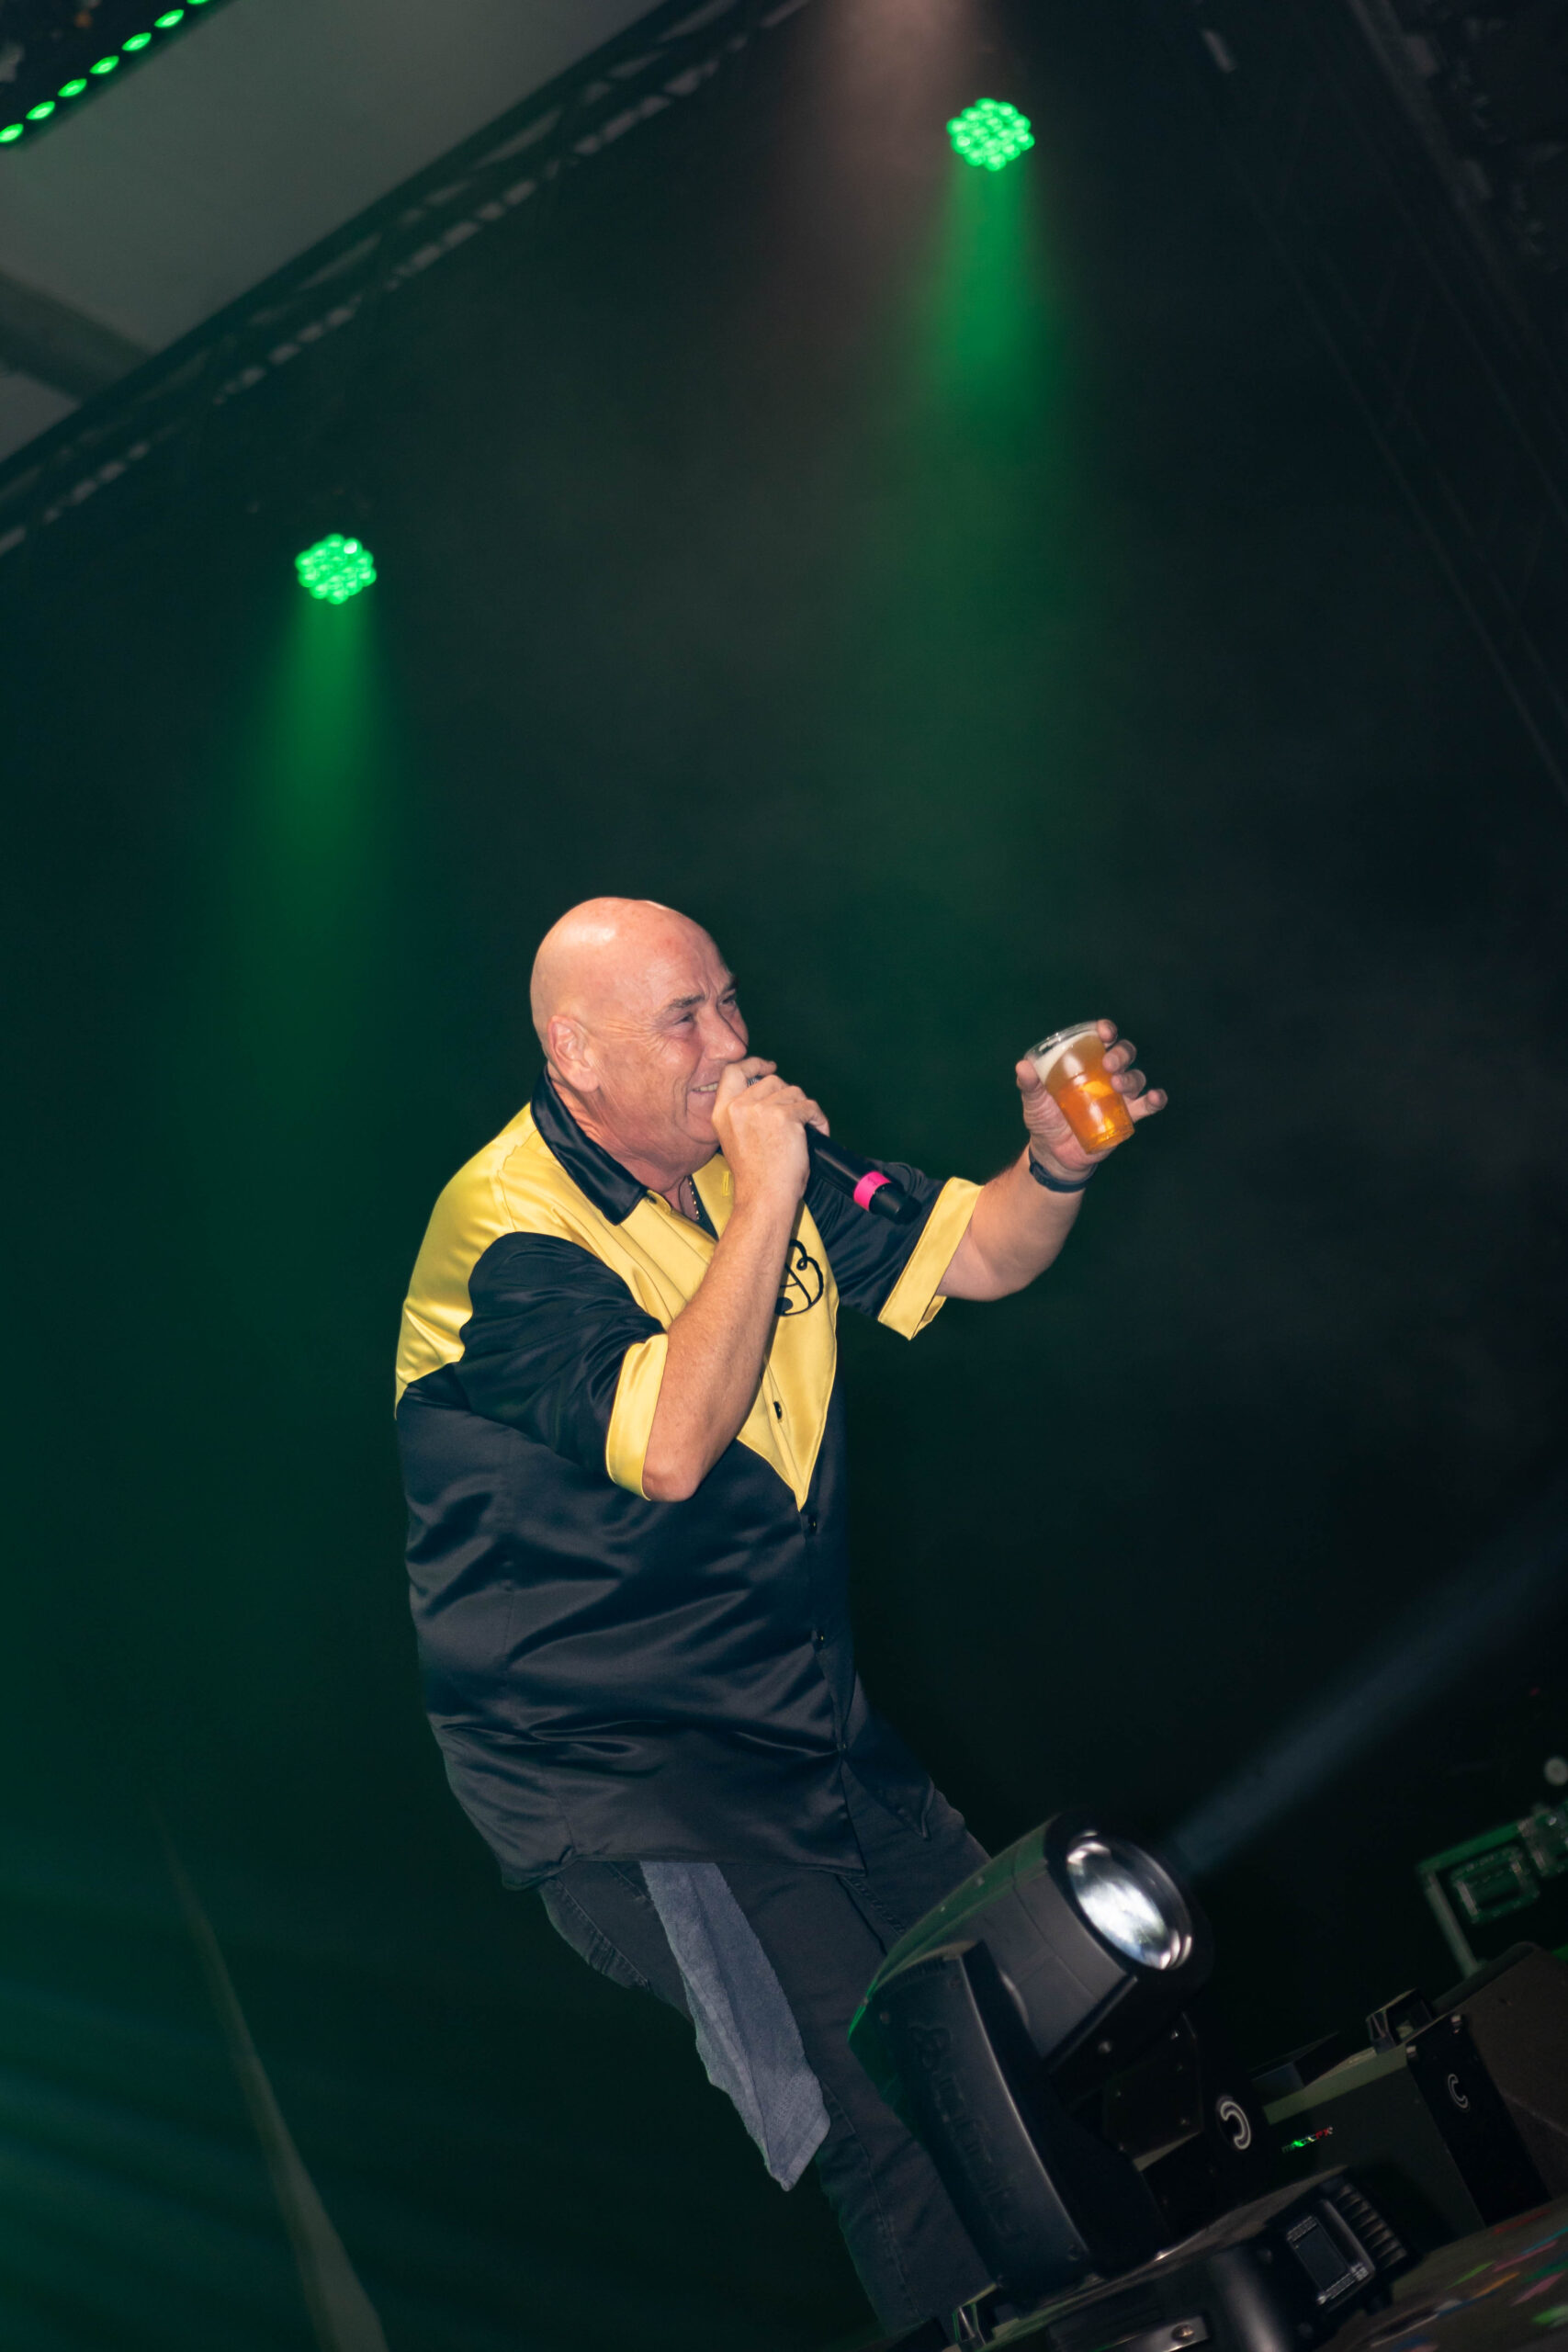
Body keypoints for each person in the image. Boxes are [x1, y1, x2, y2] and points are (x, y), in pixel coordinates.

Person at [394, 898, 1165, 2346]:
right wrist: (764, 1191)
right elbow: (672, 1448)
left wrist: (1054, 1165)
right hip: (630, 1777)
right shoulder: (508, 1236)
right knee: (890, 2118)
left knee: (1022, 2020)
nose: (732, 1043)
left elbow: (980, 1252)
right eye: (684, 1019)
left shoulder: (746, 1166)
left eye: (730, 1000)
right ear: (576, 1055)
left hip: (799, 1715)